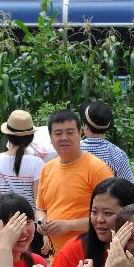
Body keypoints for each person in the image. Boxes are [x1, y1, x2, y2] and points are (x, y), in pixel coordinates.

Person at [35, 109, 113, 255]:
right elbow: (41, 209)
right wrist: (41, 223)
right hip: (57, 257)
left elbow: (113, 215)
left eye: (70, 132)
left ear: (80, 134)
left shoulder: (97, 169)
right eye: (58, 133)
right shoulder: (47, 169)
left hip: (89, 256)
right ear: (51, 138)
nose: (64, 137)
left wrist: (69, 226)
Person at [0, 110, 45, 254]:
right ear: (30, 138)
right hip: (29, 224)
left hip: (7, 223)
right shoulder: (36, 163)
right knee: (31, 265)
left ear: (8, 136)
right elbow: (39, 199)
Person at [79, 100, 134, 182]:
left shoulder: (73, 151)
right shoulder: (118, 154)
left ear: (86, 127)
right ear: (106, 129)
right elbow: (128, 187)